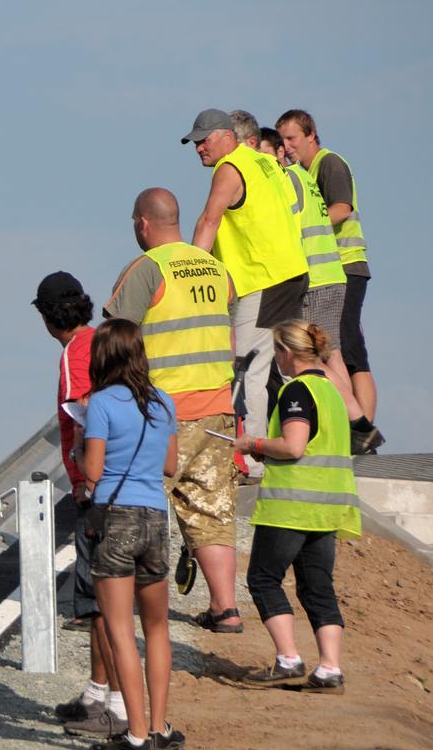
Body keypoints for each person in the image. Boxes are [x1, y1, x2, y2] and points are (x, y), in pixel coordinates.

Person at [104, 188, 241, 633]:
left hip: (166, 416)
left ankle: (121, 604)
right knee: (212, 512)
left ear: (143, 223)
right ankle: (225, 608)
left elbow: (116, 341)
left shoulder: (147, 269)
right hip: (219, 410)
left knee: (137, 506)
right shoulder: (218, 270)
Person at [232, 320, 360, 692]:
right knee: (318, 585)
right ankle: (329, 667)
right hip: (326, 508)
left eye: (276, 352)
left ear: (287, 353)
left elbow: (293, 446)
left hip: (292, 506)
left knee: (263, 578)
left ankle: (288, 658)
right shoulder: (332, 392)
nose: (277, 360)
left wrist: (253, 444)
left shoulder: (297, 391)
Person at [183, 109, 309, 482]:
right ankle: (301, 446)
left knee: (247, 370)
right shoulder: (265, 162)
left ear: (227, 136)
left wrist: (191, 277)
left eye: (204, 140)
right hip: (289, 273)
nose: (199, 148)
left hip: (262, 278)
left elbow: (209, 220)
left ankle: (250, 461)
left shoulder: (231, 166)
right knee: (285, 369)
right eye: (194, 142)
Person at [32, 272, 128, 738]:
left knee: (102, 601)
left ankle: (114, 707)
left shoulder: (75, 353)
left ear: (49, 318)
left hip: (99, 492)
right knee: (95, 603)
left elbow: (83, 417)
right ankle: (96, 692)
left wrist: (83, 481)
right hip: (127, 486)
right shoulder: (103, 341)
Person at [81, 319, 181, 750]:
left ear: (103, 357)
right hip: (155, 518)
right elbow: (171, 465)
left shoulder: (100, 403)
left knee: (121, 632)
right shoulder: (165, 402)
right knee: (156, 629)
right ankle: (159, 728)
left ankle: (136, 735)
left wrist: (76, 452)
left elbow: (93, 473)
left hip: (116, 520)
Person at [277, 109, 381, 435]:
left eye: (292, 138)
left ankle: (362, 430)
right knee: (341, 349)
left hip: (345, 265)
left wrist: (304, 228)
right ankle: (358, 428)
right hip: (335, 268)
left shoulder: (329, 163)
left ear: (311, 134)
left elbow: (342, 207)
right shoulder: (306, 172)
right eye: (282, 140)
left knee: (347, 352)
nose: (287, 146)